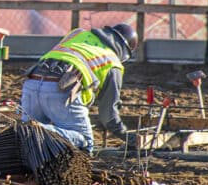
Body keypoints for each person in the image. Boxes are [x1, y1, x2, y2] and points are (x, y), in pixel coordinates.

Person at [20, 23, 139, 154]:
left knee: (26, 140)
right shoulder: (113, 62)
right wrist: (126, 136)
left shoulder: (77, 34)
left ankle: (26, 130)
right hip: (60, 89)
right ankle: (37, 128)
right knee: (85, 143)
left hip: (32, 81)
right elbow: (108, 115)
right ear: (124, 54)